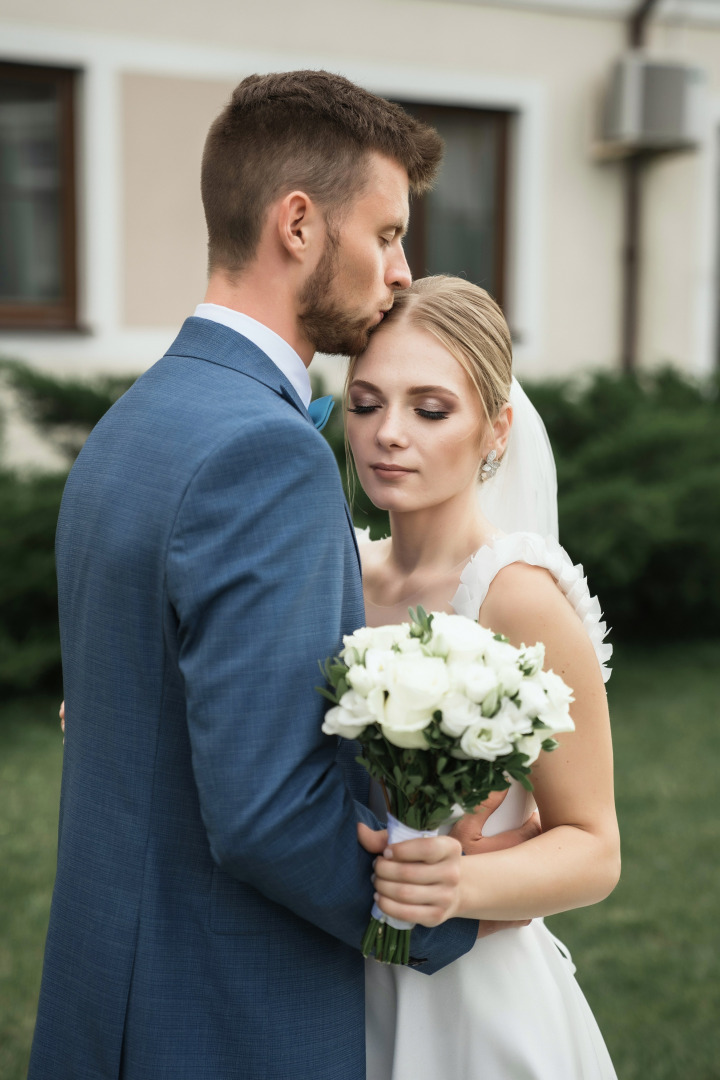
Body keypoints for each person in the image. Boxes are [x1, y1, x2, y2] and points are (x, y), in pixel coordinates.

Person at [29, 73, 493, 1080]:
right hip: (220, 1019)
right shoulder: (265, 454)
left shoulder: (131, 424)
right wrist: (427, 930)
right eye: (385, 235)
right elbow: (269, 815)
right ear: (297, 224)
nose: (403, 272)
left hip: (105, 990)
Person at [345, 275, 621, 1079]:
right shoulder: (340, 570)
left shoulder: (518, 595)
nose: (388, 434)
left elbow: (594, 848)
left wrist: (454, 887)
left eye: (430, 409)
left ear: (496, 429)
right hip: (337, 987)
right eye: (366, 404)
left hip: (470, 1004)